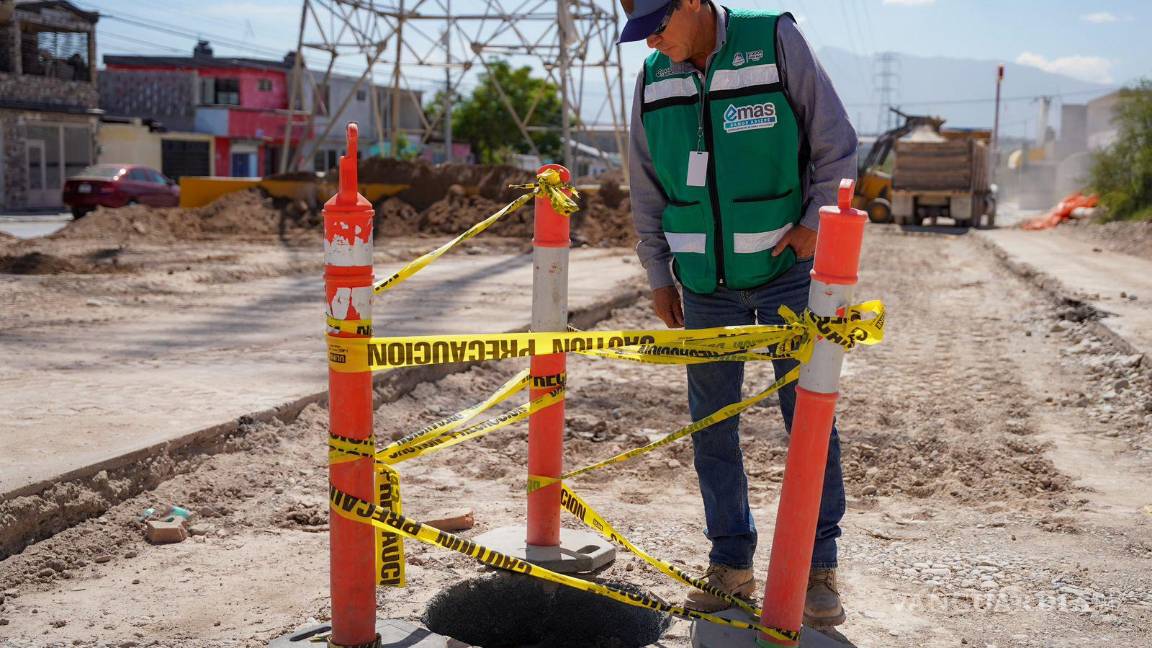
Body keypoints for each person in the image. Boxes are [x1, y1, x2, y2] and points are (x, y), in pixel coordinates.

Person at [620, 0, 857, 627]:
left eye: (658, 25)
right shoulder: (653, 77)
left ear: (693, 4)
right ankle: (730, 564)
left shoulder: (774, 40)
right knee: (712, 429)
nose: (653, 41)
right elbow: (646, 185)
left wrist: (815, 224)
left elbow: (835, 141)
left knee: (807, 419)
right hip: (701, 286)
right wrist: (657, 275)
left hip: (785, 276)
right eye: (642, 31)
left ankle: (818, 567)